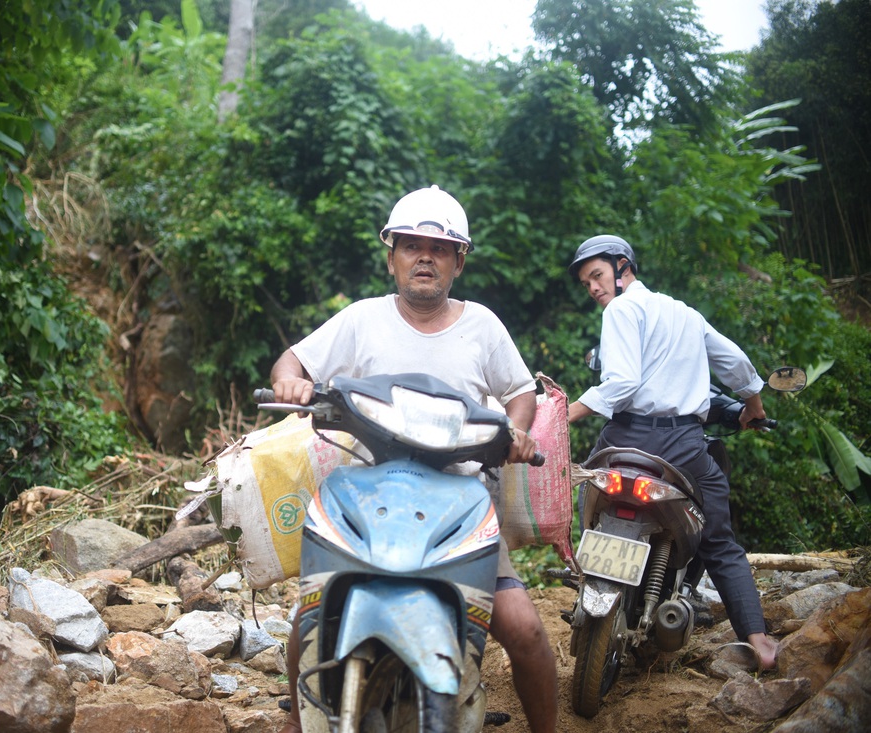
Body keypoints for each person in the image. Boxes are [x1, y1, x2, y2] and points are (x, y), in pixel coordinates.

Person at [271, 185, 558, 733]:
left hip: (460, 504)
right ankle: (300, 722)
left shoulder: (484, 326)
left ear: (458, 262)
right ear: (392, 257)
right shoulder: (361, 319)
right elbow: (294, 360)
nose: (424, 257)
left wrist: (517, 431)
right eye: (411, 246)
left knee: (526, 633)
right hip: (369, 495)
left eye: (440, 247)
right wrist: (290, 382)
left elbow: (520, 391)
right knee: (309, 620)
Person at [565, 233, 779, 671]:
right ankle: (759, 641)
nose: (592, 288)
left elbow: (620, 382)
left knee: (588, 494)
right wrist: (752, 408)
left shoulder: (622, 310)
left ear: (623, 266)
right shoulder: (685, 314)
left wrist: (563, 415)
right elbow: (735, 363)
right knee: (718, 540)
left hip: (620, 443)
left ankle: (585, 578)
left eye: (597, 276)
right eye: (587, 282)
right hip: (681, 448)